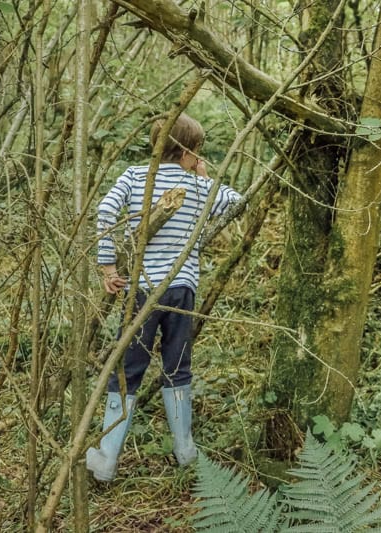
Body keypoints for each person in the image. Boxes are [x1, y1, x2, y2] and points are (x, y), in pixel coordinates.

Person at [86, 113, 242, 482]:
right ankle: (185, 451)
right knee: (177, 367)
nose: (199, 158)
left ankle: (107, 459)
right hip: (181, 289)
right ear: (188, 151)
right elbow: (236, 202)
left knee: (129, 370)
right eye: (197, 151)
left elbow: (107, 209)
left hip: (141, 288)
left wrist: (108, 267)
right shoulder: (198, 184)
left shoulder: (136, 175)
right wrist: (204, 178)